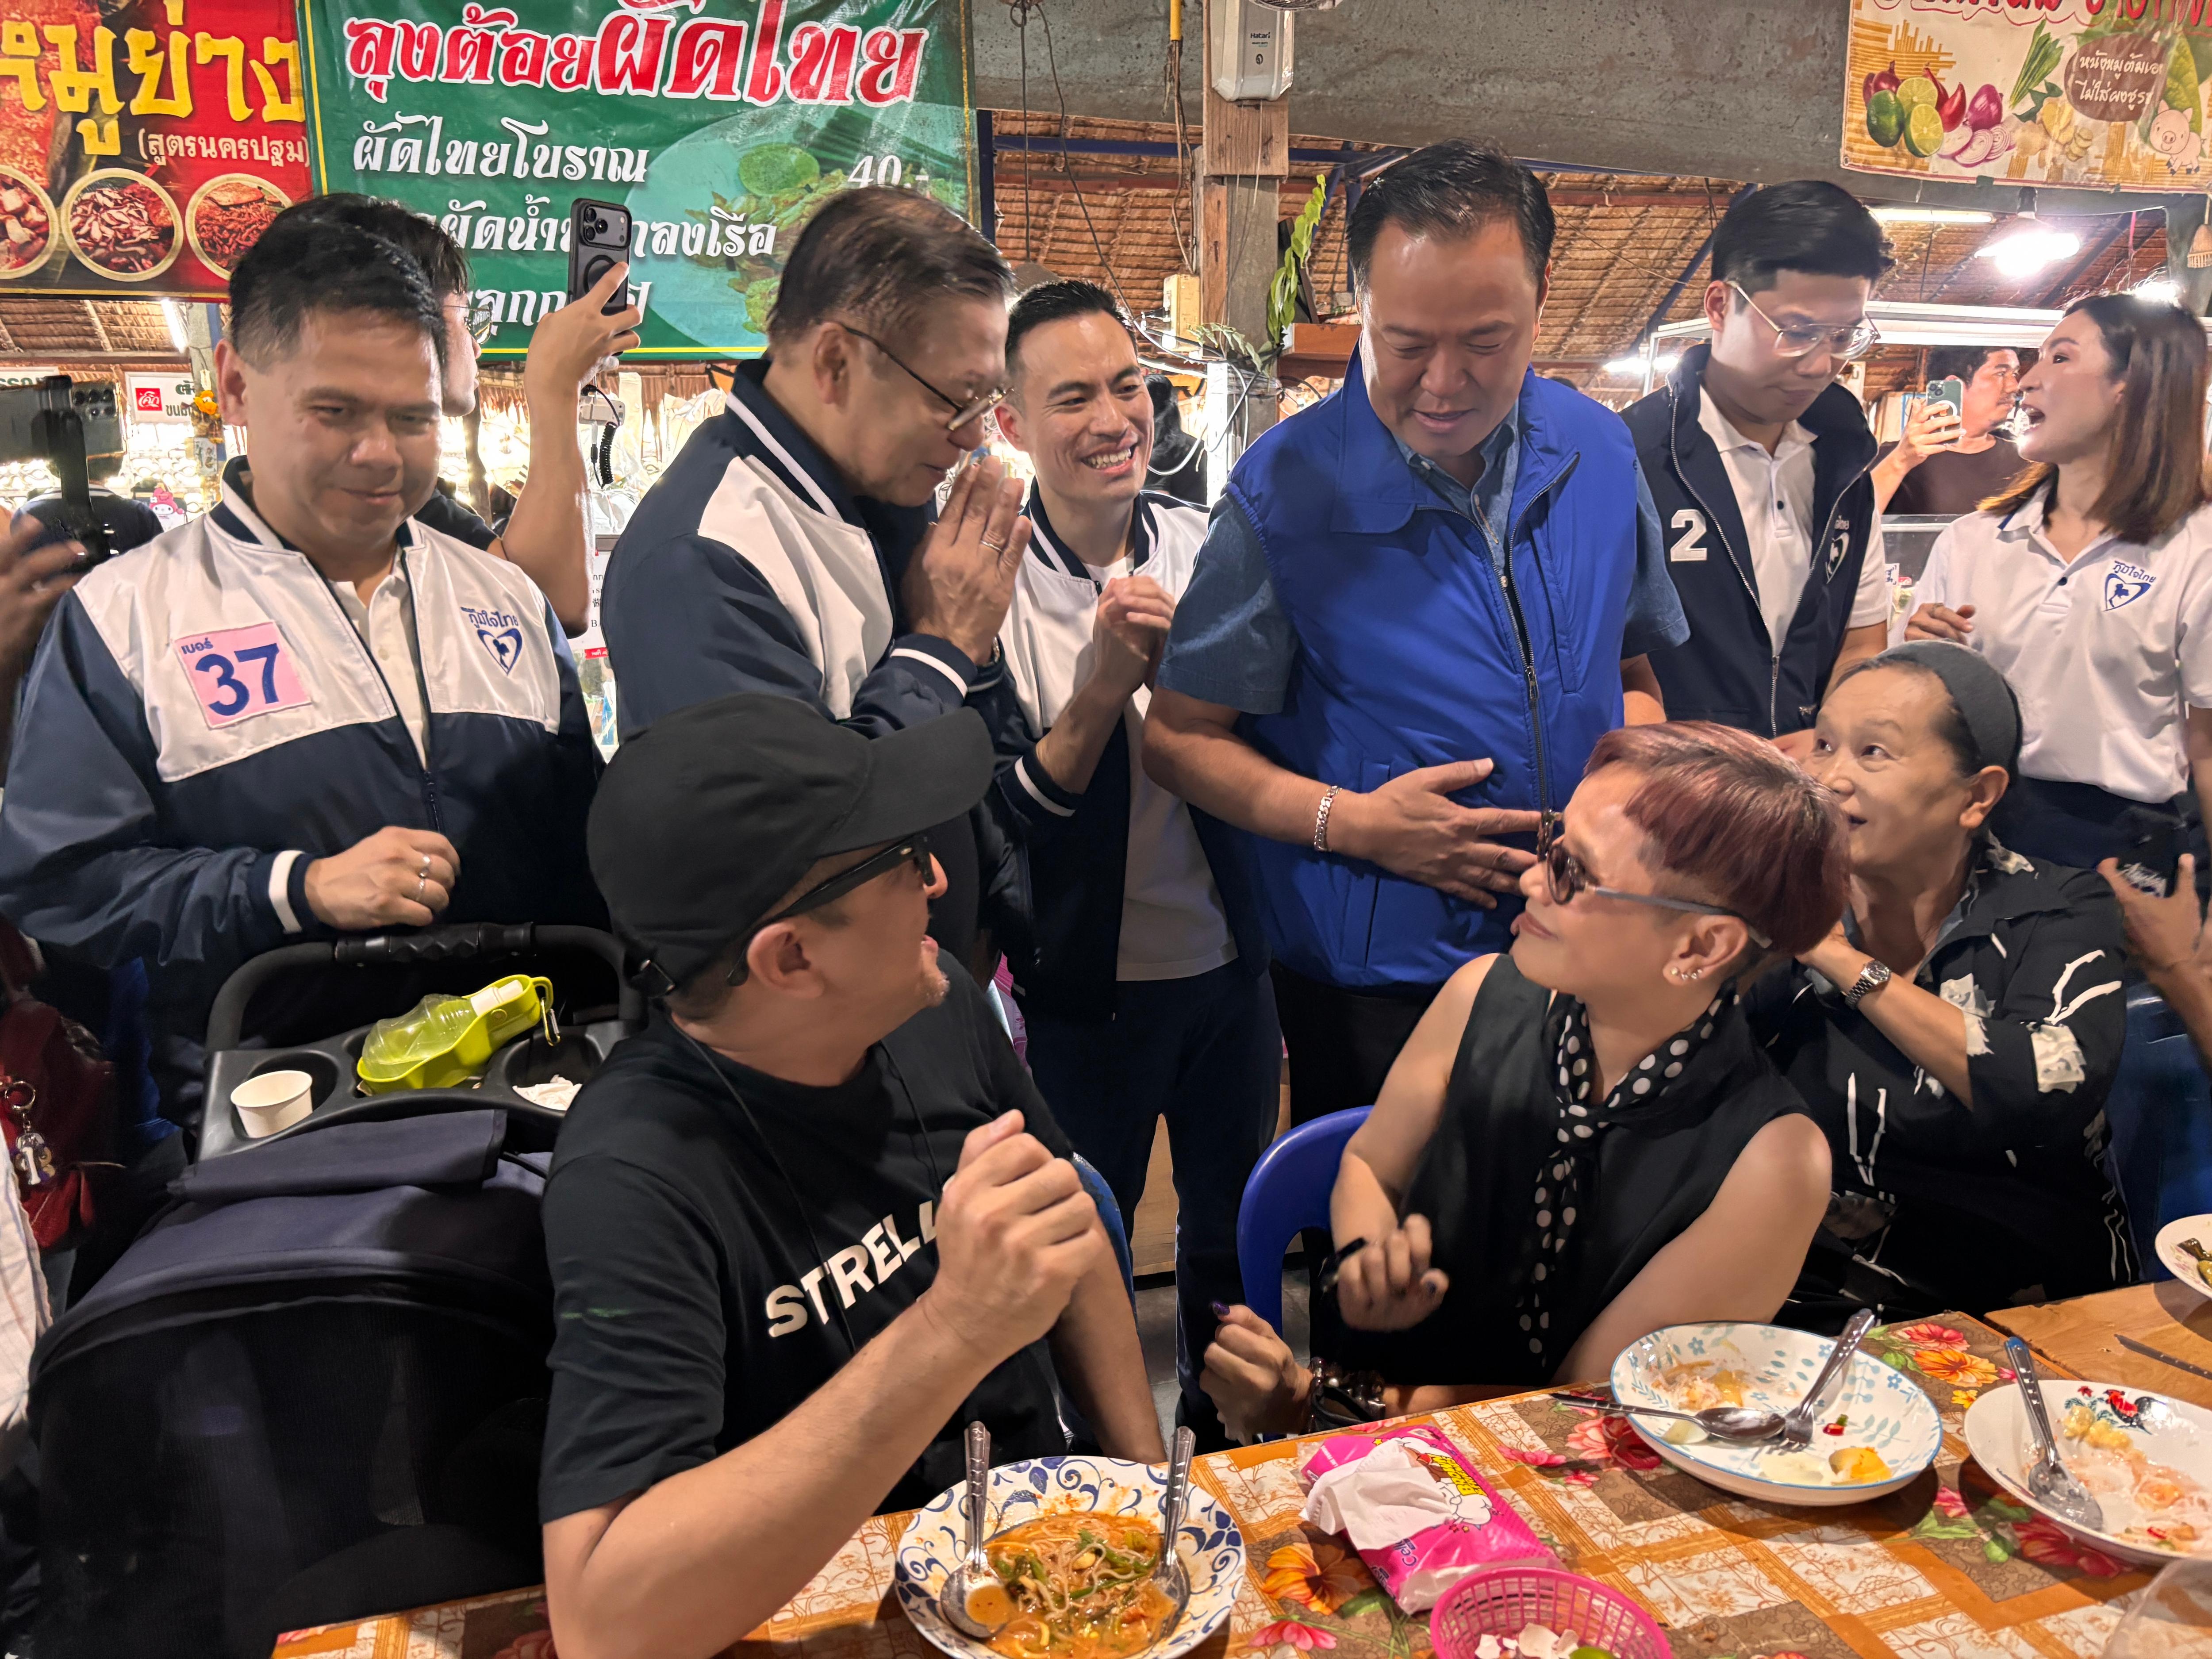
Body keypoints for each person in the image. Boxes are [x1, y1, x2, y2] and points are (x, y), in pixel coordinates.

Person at [540, 693, 1160, 1659]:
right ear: (790, 956)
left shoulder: (938, 1000)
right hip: (827, 1611)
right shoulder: (633, 1172)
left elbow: (1064, 1217)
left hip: (1038, 1573)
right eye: (905, 862)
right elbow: (603, 1624)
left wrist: (1149, 1504)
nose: (940, 878)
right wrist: (954, 1327)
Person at [0, 217, 601, 1137]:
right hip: (283, 1125)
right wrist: (293, 887)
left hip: (535, 1103)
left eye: (414, 417)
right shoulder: (128, 616)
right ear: (237, 385)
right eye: (336, 412)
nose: (381, 454)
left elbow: (579, 848)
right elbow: (63, 884)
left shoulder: (504, 597)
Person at [1146, 142, 1690, 1127]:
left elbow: (1632, 671)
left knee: (1565, 1243)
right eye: (1402, 343)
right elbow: (1180, 738)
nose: (1442, 384)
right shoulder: (1284, 492)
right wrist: (1351, 824)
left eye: (1485, 340)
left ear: (1541, 295)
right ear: (1358, 304)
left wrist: (1626, 786)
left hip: (1584, 944)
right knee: (1383, 1250)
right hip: (1377, 983)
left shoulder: (1601, 453)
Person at [1200, 723, 1840, 1438]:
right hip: (1380, 1438)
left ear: (1701, 945)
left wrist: (1318, 1400)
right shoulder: (1481, 994)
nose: (1533, 880)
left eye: (1574, 873)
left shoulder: (1771, 1160)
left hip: (1566, 1491)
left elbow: (1585, 1412)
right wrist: (1367, 1260)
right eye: (1551, 849)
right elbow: (1371, 1162)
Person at [983, 280, 1277, 1448]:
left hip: (1229, 970)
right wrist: (1105, 684)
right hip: (1078, 994)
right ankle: (1103, 1463)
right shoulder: (986, 583)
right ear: (1011, 424)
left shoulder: (1215, 544)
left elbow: (1270, 734)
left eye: (1129, 387)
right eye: (1072, 398)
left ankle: (1227, 1438)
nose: (1113, 417)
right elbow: (1007, 818)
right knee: (1092, 1243)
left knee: (1228, 1231)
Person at [598, 187, 1033, 968]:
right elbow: (800, 846)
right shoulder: (704, 555)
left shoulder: (881, 493)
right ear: (836, 362)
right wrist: (942, 647)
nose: (973, 437)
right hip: (813, 1032)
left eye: (988, 400)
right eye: (957, 399)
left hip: (923, 986)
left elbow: (969, 754)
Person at [1748, 642, 2131, 1326]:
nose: (1830, 778)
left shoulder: (2056, 907)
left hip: (2019, 1303)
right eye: (1825, 743)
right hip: (1803, 1289)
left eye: (1873, 753)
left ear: (1976, 795)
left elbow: (2043, 1089)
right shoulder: (1784, 905)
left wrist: (1842, 962)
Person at [1908, 294, 2212, 872]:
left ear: (2133, 384)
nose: (2026, 381)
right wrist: (1923, 659)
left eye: (2060, 358)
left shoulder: (2196, 547)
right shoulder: (1972, 540)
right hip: (1970, 835)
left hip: (2120, 859)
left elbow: (2209, 748)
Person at [280, 192, 642, 635]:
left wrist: (558, 391)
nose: (477, 345)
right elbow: (555, 608)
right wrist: (553, 390)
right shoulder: (363, 496)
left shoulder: (412, 499)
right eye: (466, 318)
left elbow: (547, 597)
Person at [1628, 181, 1894, 758]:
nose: (1822, 364)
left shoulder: (1846, 460)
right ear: (1720, 306)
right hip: (1676, 792)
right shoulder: (1632, 456)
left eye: (1844, 335)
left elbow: (1861, 638)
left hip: (1809, 796)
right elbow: (1613, 664)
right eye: (1796, 332)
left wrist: (1829, 746)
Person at [1870, 346, 2026, 518]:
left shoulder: (2026, 462)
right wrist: (1900, 461)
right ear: (1954, 385)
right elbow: (1856, 523)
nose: (2014, 386)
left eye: (2015, 374)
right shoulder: (1891, 459)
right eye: (2001, 373)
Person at [1145, 373, 1206, 506]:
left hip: (1173, 524)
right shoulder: (1199, 447)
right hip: (1204, 521)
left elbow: (1156, 502)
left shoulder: (1152, 456)